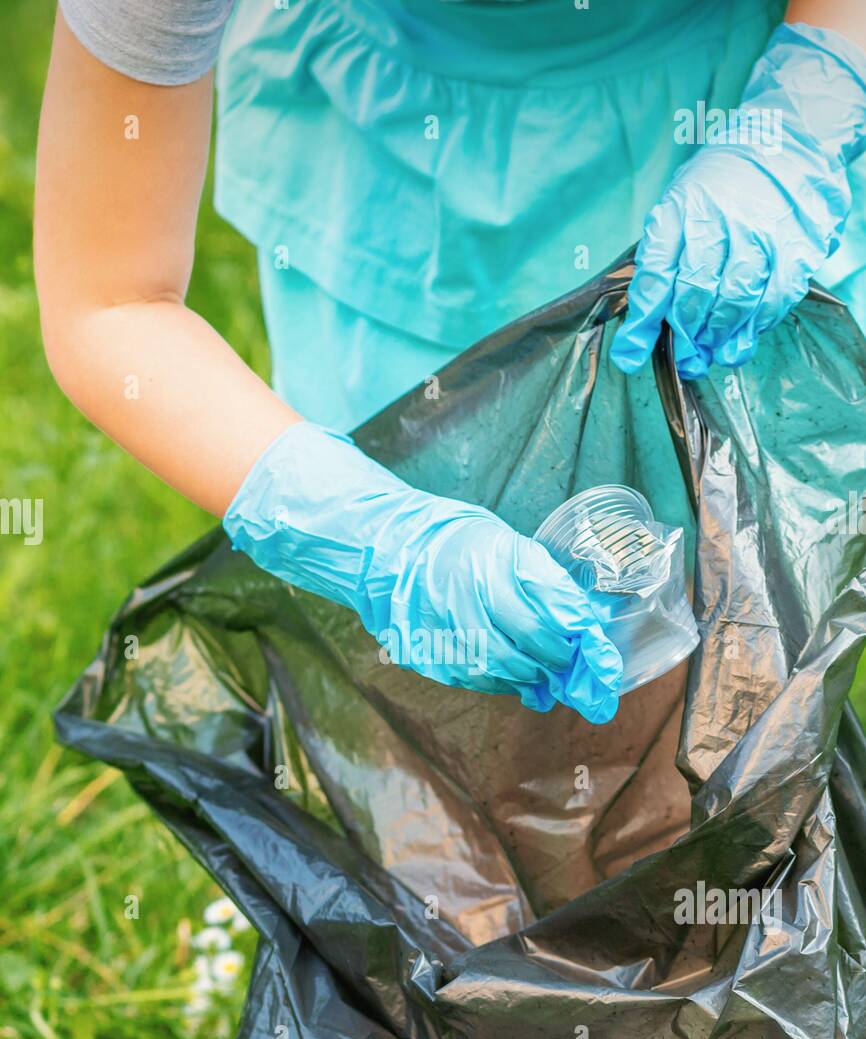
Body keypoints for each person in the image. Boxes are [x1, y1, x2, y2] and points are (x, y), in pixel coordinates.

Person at [35, 0, 866, 721]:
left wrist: (798, 121)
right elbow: (111, 300)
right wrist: (379, 542)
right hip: (386, 164)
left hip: (718, 104)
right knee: (437, 717)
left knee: (716, 659)